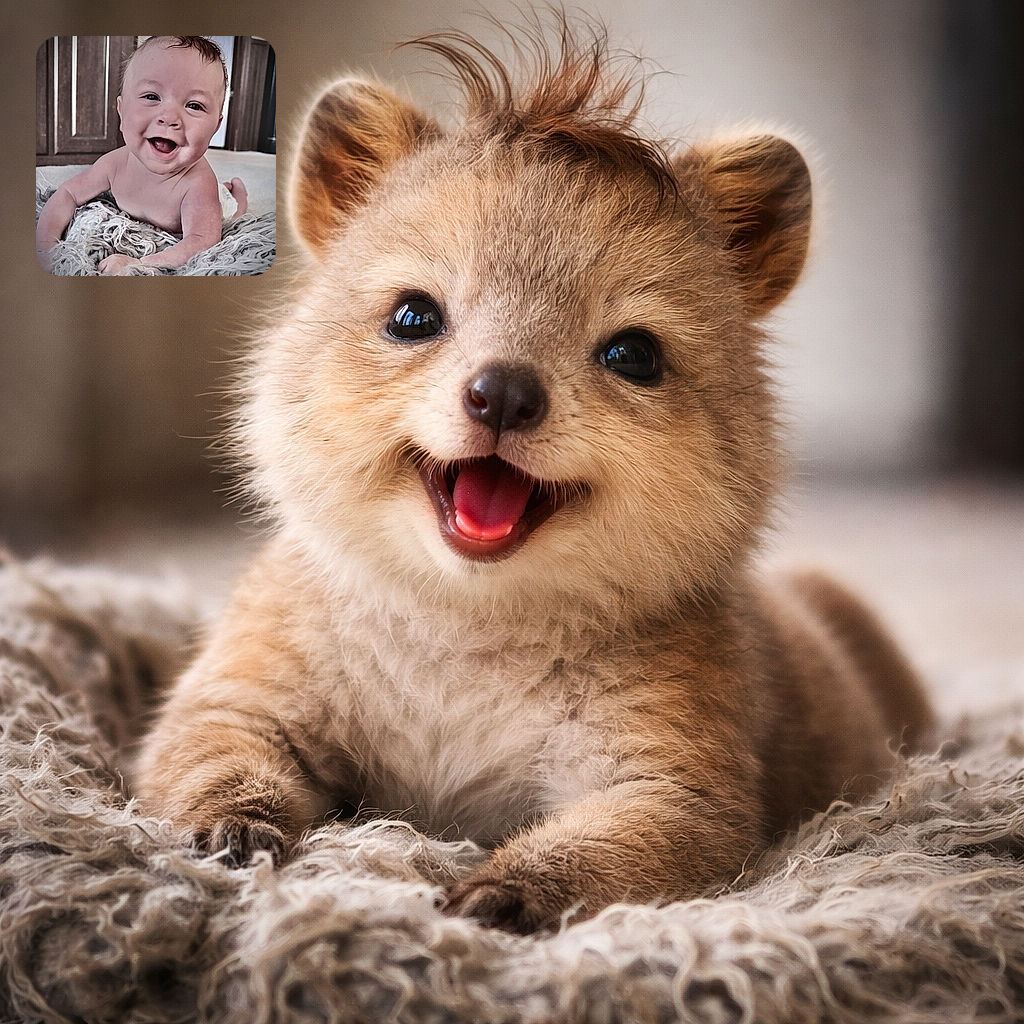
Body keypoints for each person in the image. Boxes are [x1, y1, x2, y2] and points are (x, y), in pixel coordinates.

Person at [36, 36, 247, 275]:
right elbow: (68, 193)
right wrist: (46, 248)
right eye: (152, 97)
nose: (169, 118)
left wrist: (139, 263)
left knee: (233, 214)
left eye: (194, 105)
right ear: (121, 110)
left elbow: (202, 241)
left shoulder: (198, 182)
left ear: (216, 126)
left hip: (209, 205)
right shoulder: (113, 164)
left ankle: (237, 189)